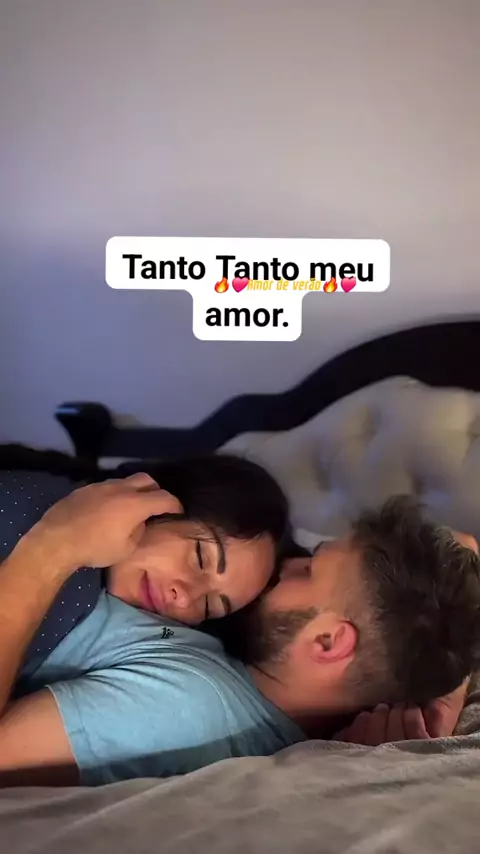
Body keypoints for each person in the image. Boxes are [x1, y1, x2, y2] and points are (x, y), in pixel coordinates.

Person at [0, 484, 479, 788]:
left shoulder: (183, 709)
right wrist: (443, 697)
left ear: (328, 642)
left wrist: (51, 548)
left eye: (307, 570)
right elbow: (466, 546)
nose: (286, 566)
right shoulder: (273, 691)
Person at [0, 454, 290, 678]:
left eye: (209, 606)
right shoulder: (33, 511)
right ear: (162, 500)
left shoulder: (120, 629)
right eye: (201, 558)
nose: (185, 598)